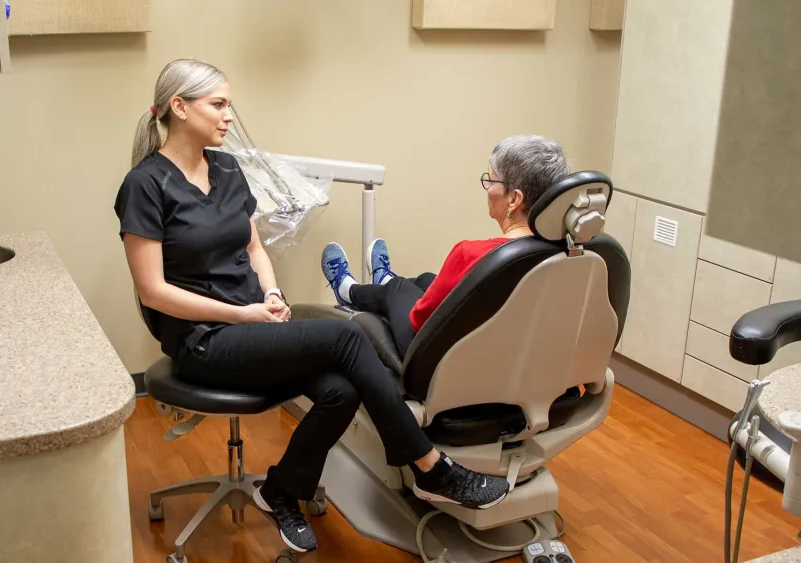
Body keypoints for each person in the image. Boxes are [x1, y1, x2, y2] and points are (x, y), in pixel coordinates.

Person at [113, 59, 509, 555]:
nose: (228, 116)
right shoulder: (145, 185)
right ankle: (429, 467)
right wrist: (242, 314)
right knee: (344, 335)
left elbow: (253, 248)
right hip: (204, 340)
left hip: (253, 324)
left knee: (340, 391)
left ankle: (281, 491)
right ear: (179, 107)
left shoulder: (228, 169)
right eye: (218, 105)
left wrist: (272, 295)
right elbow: (152, 291)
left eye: (228, 105)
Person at [321, 134, 570, 358]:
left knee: (398, 289)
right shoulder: (566, 254)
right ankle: (384, 279)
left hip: (444, 363)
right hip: (511, 354)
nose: (487, 189)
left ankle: (348, 291)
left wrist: (400, 295)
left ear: (514, 199)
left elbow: (419, 320)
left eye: (490, 181)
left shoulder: (471, 254)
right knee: (428, 279)